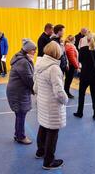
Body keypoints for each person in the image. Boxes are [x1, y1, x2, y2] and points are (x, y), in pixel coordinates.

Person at [34, 41, 69, 170]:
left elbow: (35, 86)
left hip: (42, 102)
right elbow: (59, 92)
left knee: (43, 126)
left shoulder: (39, 64)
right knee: (53, 131)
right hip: (52, 105)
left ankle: (40, 151)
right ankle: (48, 161)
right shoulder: (54, 68)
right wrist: (65, 100)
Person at [6, 39, 36, 145]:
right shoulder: (23, 61)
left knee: (20, 113)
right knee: (21, 113)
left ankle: (18, 134)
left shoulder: (21, 58)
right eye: (33, 50)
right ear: (27, 50)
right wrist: (36, 90)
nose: (35, 52)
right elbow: (28, 79)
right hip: (18, 92)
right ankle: (21, 136)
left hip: (18, 90)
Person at [73, 33, 95, 120]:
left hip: (85, 75)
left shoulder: (82, 50)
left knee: (81, 95)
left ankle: (80, 112)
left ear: (87, 40)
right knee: (94, 95)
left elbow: (80, 60)